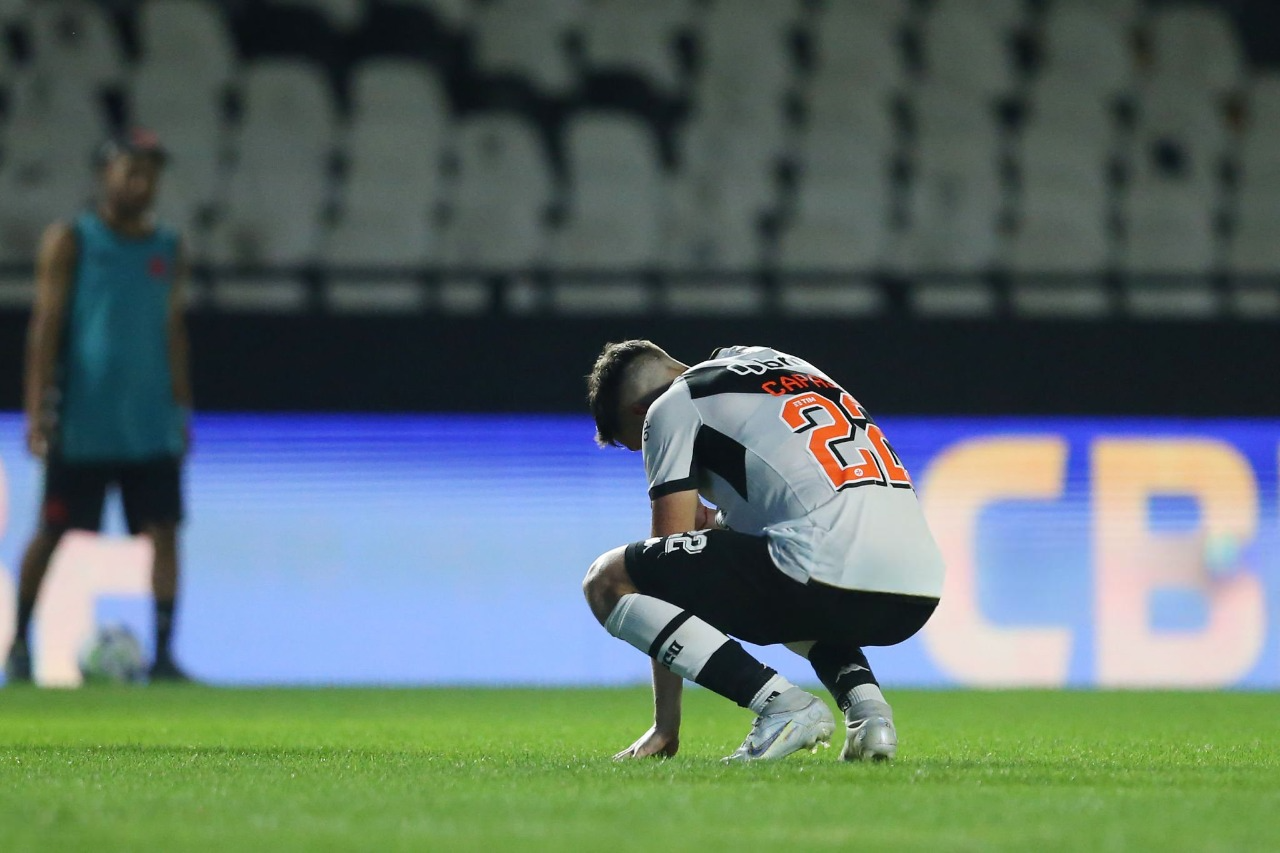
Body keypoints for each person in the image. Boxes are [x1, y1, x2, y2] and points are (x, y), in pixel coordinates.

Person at [582, 341, 945, 762]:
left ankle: (782, 706)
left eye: (641, 447)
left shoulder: (672, 404)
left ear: (640, 417)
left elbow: (664, 578)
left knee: (607, 579)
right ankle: (870, 717)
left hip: (823, 571)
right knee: (790, 577)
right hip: (919, 587)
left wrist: (667, 725)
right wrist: (720, 526)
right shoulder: (781, 363)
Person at [4, 128, 194, 684]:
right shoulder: (73, 241)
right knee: (52, 530)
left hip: (149, 423)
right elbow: (46, 328)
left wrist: (181, 409)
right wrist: (37, 411)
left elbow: (173, 331)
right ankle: (18, 647)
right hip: (86, 421)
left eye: (151, 171)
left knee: (164, 530)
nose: (142, 181)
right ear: (105, 175)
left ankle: (163, 657)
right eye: (131, 169)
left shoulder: (168, 247)